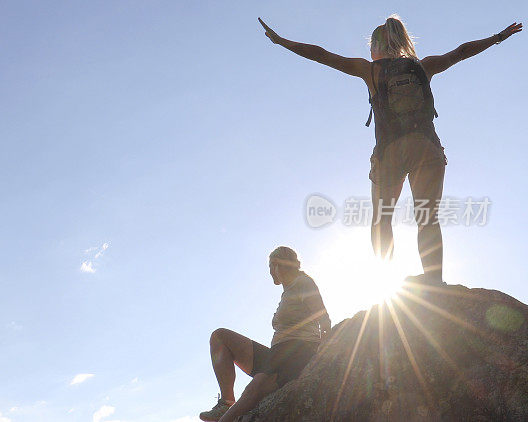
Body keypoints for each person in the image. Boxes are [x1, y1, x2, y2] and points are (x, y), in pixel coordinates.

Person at [257, 15, 522, 285]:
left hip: (389, 151)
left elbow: (322, 55)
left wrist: (281, 42)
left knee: (381, 219)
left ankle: (387, 283)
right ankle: (434, 283)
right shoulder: (423, 67)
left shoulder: (370, 70)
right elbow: (460, 52)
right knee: (427, 219)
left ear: (375, 46)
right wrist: (497, 37)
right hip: (426, 148)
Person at [199, 247, 331, 422]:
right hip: (275, 355)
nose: (271, 271)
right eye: (270, 266)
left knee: (250, 394)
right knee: (220, 337)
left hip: (295, 354)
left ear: (286, 264)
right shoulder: (288, 291)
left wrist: (321, 355)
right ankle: (226, 401)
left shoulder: (303, 283)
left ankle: (225, 417)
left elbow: (323, 319)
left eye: (274, 265)